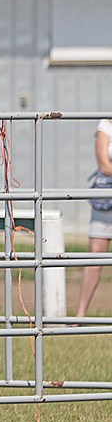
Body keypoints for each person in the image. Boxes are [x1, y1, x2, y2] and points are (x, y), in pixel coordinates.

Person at [76, 118, 112, 317]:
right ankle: (79, 315)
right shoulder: (106, 126)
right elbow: (104, 165)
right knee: (95, 257)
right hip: (106, 201)